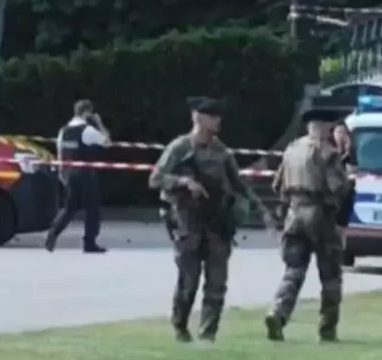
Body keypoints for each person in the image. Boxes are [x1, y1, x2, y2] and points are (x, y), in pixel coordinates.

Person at [148, 96, 267, 343]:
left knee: (217, 283)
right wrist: (183, 181)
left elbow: (239, 184)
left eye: (218, 116)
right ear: (197, 118)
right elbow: (155, 178)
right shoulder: (180, 147)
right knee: (187, 283)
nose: (218, 121)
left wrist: (263, 210)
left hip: (217, 225)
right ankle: (180, 327)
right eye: (212, 116)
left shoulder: (222, 152)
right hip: (187, 223)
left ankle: (208, 334)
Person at [264, 108, 352, 343]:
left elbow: (277, 185)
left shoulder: (292, 150)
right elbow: (339, 187)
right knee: (331, 276)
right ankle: (327, 329)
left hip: (294, 216)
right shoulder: (327, 153)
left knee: (293, 271)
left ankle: (278, 312)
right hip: (320, 216)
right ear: (324, 127)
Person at [44, 99, 111, 254]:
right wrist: (99, 123)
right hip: (86, 173)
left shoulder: (64, 130)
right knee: (92, 209)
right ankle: (89, 243)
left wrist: (62, 172)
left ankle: (53, 233)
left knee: (69, 207)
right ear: (86, 112)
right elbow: (107, 142)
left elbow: (60, 152)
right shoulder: (87, 130)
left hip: (69, 172)